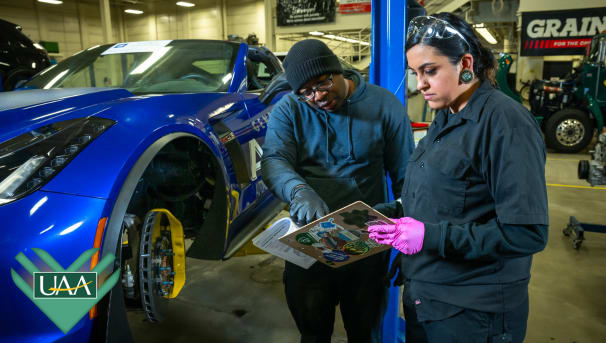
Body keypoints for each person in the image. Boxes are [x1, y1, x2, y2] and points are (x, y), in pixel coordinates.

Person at [368, 13, 549, 343]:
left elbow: (528, 233)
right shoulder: (446, 115)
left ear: (465, 63)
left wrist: (430, 238)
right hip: (428, 295)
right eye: (415, 73)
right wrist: (397, 211)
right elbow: (451, 193)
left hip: (473, 314)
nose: (420, 84)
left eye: (430, 71)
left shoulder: (505, 125)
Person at [261, 39, 414, 343]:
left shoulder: (384, 106)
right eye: (306, 92)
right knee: (313, 334)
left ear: (336, 70)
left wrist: (406, 236)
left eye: (323, 83)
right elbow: (274, 160)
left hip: (366, 243)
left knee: (365, 333)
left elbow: (407, 177)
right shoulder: (290, 109)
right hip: (308, 245)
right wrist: (298, 191)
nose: (317, 97)